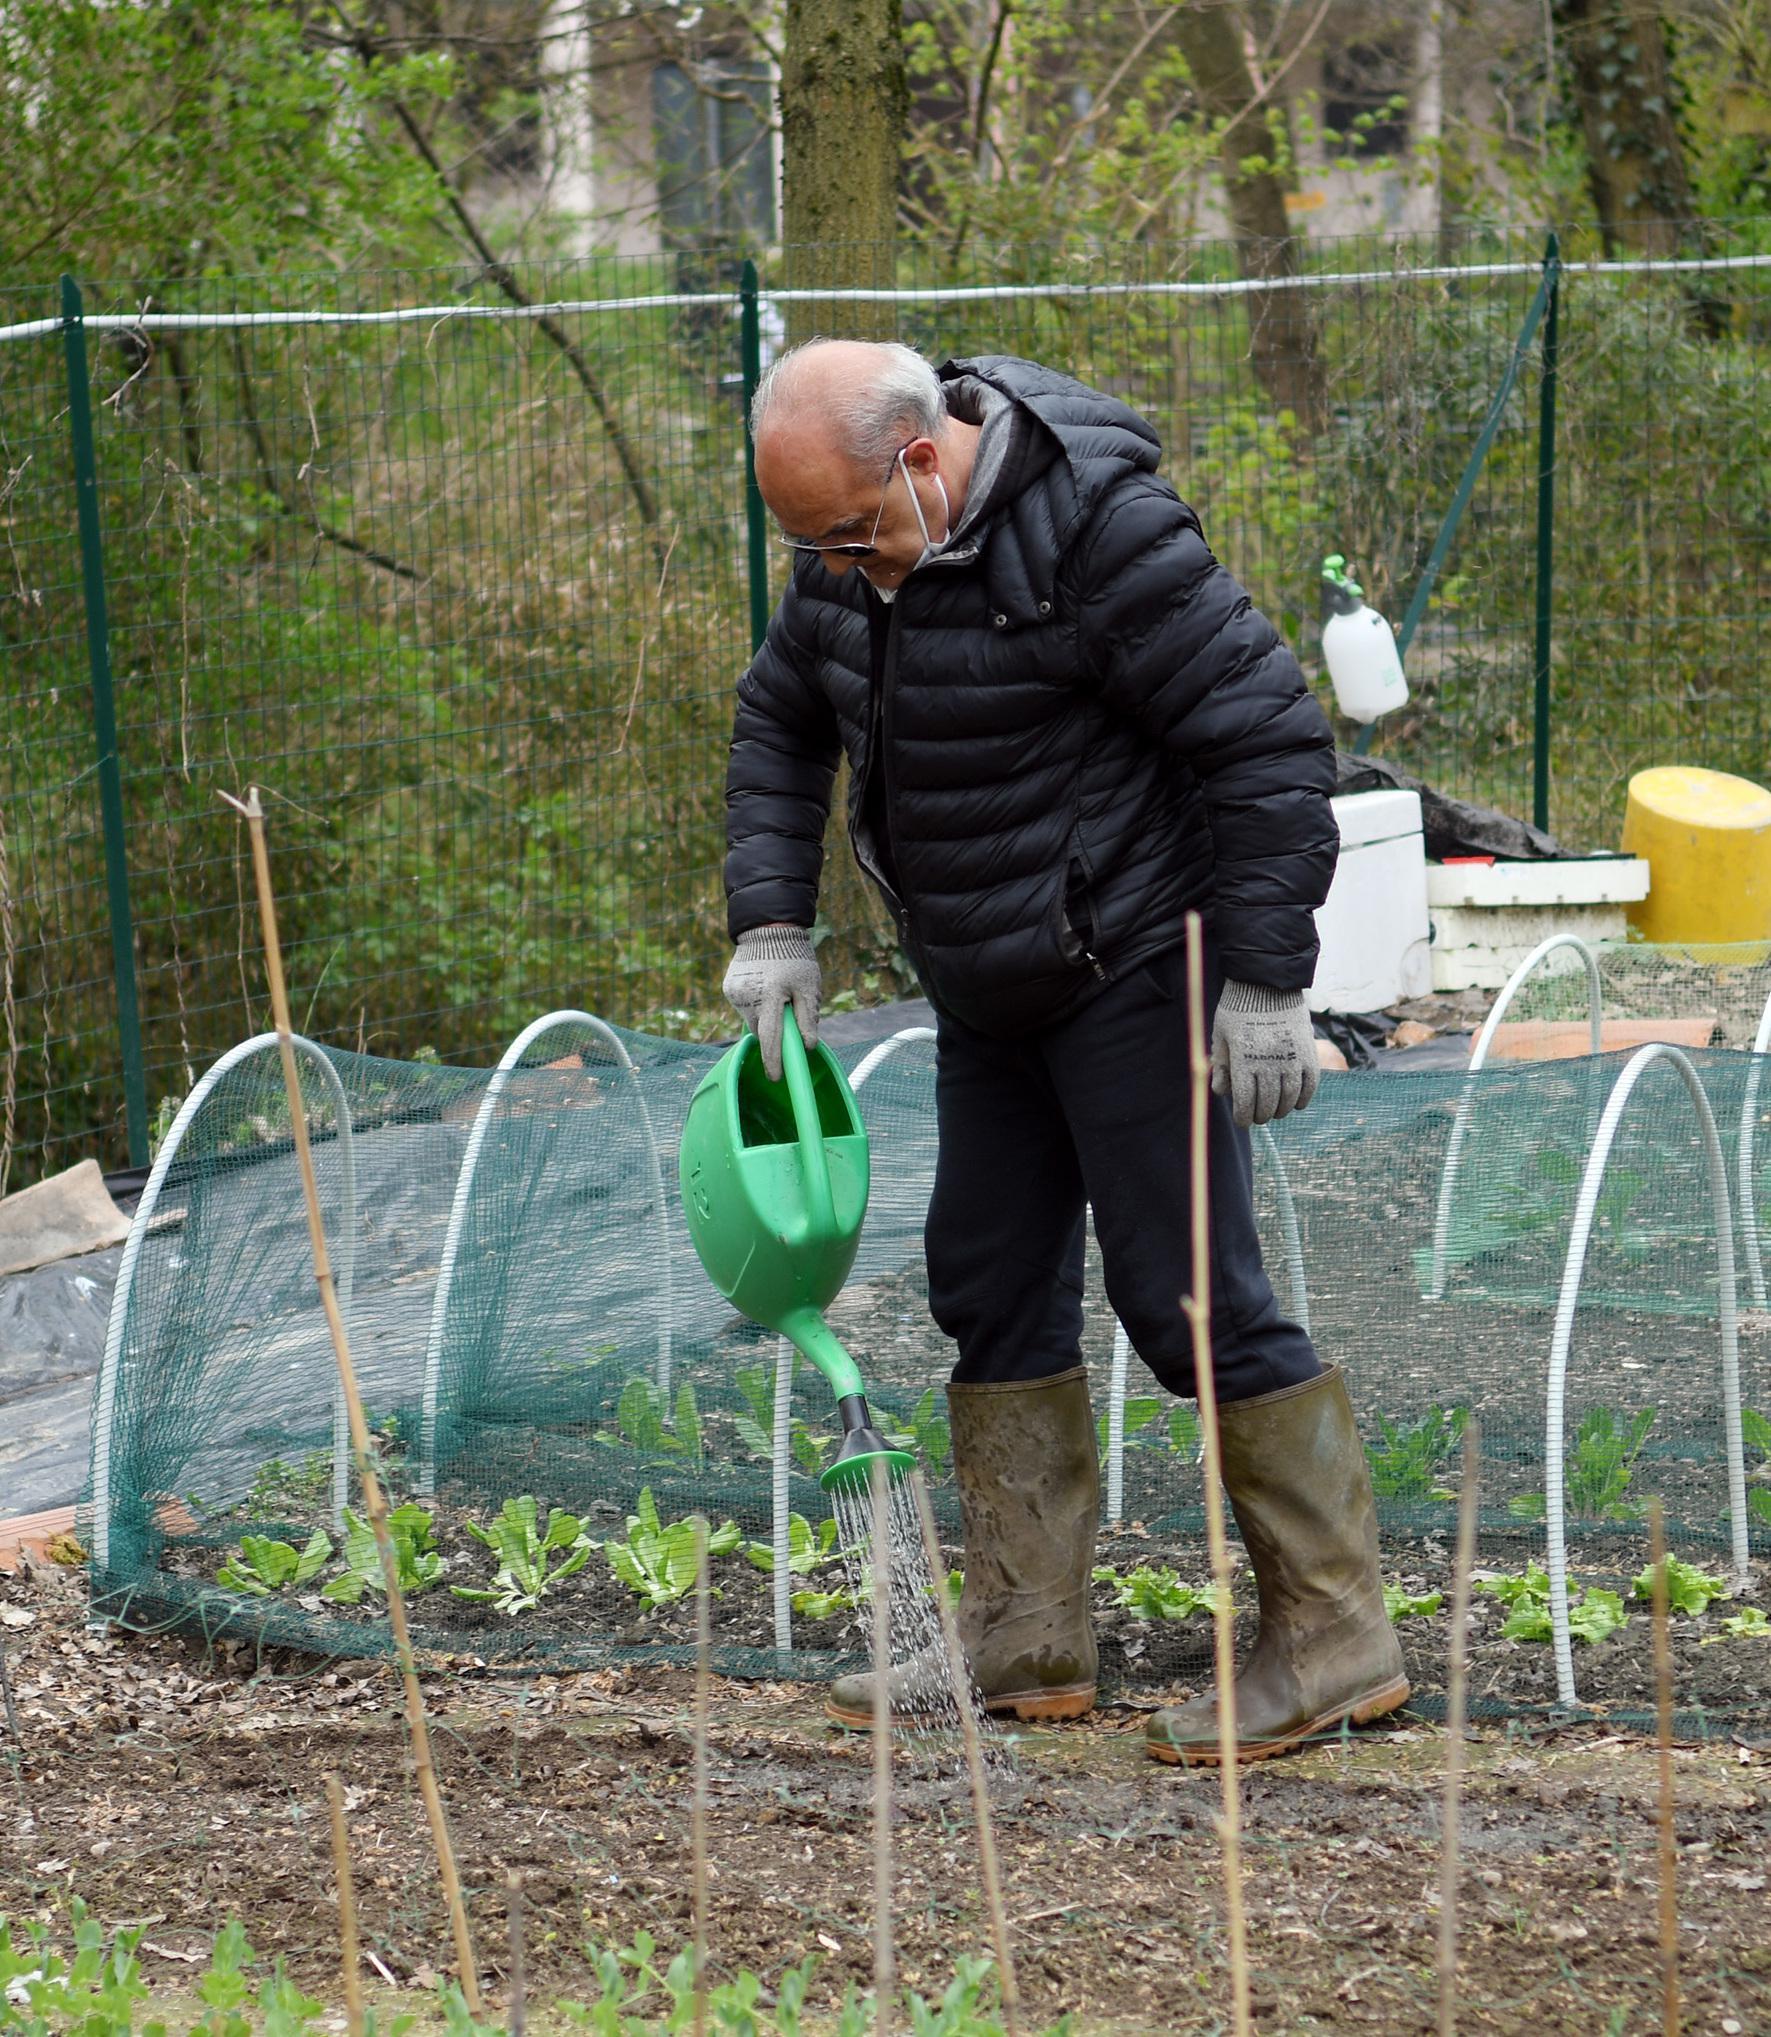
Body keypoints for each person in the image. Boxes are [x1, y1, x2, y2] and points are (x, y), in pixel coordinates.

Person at [720, 339, 1406, 1764]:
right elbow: (782, 716)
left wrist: (1270, 980)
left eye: (850, 536)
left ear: (922, 458)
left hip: (1139, 963)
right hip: (986, 984)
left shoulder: (1102, 532)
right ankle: (1027, 1636)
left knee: (1191, 1301)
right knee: (986, 1279)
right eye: (814, 548)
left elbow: (1269, 743)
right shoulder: (846, 561)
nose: (838, 570)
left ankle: (1336, 1639)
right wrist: (772, 917)